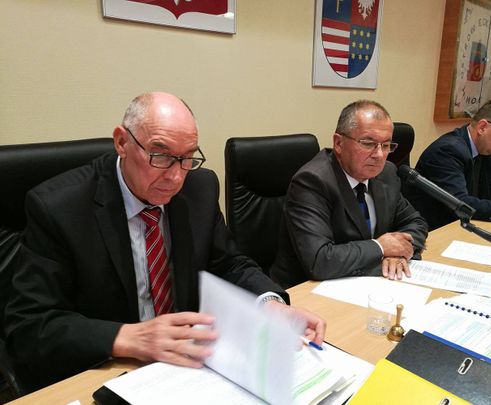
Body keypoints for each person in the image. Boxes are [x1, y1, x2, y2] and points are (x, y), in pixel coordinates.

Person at [4, 92, 325, 391]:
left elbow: (229, 263)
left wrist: (269, 304)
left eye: (187, 158)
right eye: (160, 155)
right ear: (121, 142)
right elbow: (30, 325)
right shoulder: (59, 207)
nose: (176, 176)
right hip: (107, 370)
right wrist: (128, 336)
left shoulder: (198, 189)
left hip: (188, 367)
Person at [270, 100, 428, 289]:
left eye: (386, 145)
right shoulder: (312, 181)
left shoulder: (385, 174)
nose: (379, 155)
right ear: (338, 143)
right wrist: (380, 248)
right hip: (306, 290)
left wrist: (397, 252)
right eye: (368, 143)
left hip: (366, 282)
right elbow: (320, 260)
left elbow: (416, 222)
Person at [407, 100, 491, 230]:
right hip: (435, 230)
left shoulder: (485, 150)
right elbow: (461, 204)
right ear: (482, 127)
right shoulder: (447, 151)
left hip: (462, 226)